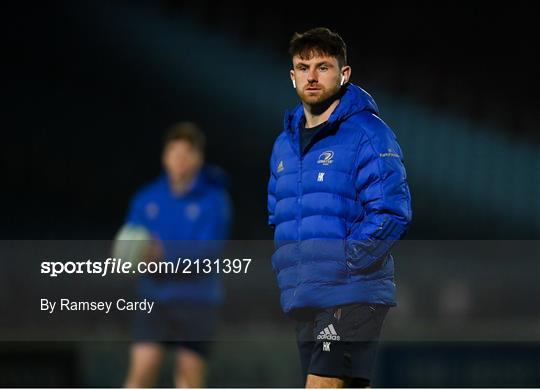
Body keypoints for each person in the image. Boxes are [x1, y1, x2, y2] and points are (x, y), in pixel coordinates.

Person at [267, 28, 412, 388]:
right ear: (292, 76)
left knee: (320, 385)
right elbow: (278, 216)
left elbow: (393, 211)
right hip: (306, 295)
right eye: (303, 67)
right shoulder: (283, 146)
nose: (312, 76)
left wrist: (346, 260)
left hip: (351, 292)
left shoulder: (368, 133)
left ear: (343, 74)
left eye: (323, 66)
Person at [119, 122, 232, 388]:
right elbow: (129, 246)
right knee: (142, 370)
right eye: (174, 152)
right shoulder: (146, 199)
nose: (179, 160)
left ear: (198, 158)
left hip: (196, 301)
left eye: (187, 153)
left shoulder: (213, 201)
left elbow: (209, 252)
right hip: (154, 298)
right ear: (164, 156)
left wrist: (163, 254)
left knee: (188, 377)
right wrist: (129, 257)